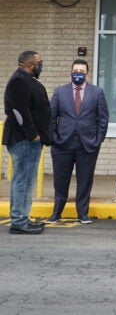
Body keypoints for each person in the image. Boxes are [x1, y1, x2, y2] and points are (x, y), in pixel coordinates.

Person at [47, 59, 109, 224]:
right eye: (76, 71)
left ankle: (82, 213)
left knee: (85, 180)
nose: (78, 74)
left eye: (82, 71)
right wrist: (54, 138)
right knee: (60, 181)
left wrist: (98, 140)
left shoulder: (97, 92)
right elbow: (51, 117)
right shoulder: (60, 92)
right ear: (70, 73)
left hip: (87, 145)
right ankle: (56, 213)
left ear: (87, 74)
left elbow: (103, 119)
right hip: (62, 144)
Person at [3, 50, 51, 235]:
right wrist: (32, 135)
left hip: (28, 140)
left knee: (26, 179)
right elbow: (18, 111)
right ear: (29, 64)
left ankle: (22, 217)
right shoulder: (19, 81)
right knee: (23, 180)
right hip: (24, 139)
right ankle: (19, 221)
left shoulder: (26, 80)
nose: (41, 66)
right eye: (39, 62)